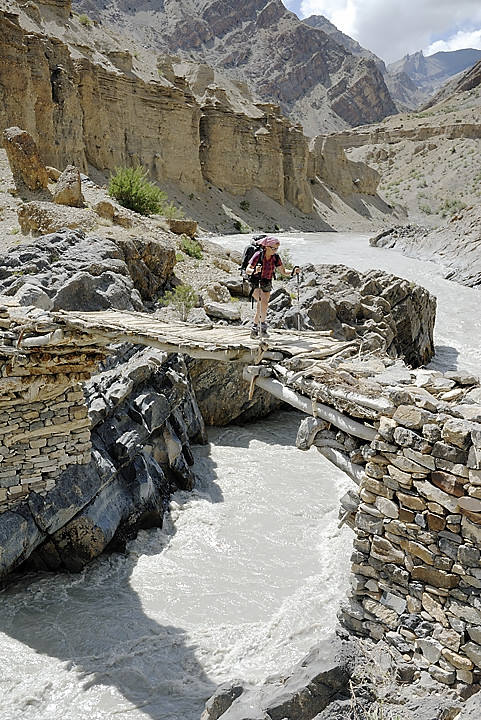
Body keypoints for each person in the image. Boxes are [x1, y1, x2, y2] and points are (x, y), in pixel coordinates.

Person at [245, 236, 300, 338]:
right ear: (266, 247)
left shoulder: (276, 257)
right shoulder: (258, 255)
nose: (275, 251)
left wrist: (293, 271)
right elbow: (248, 269)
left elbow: (283, 271)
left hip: (267, 283)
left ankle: (254, 330)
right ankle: (262, 328)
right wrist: (255, 271)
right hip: (255, 283)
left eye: (276, 249)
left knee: (261, 307)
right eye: (273, 248)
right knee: (264, 303)